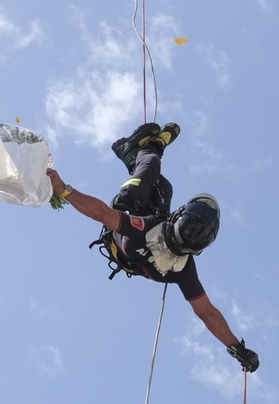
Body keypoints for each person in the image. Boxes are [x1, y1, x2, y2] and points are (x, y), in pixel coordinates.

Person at [47, 122, 260, 373]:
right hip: (134, 246)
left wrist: (64, 190)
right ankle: (132, 151)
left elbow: (103, 214)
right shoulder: (184, 269)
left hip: (125, 225)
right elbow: (207, 312)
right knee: (161, 187)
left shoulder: (148, 228)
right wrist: (238, 349)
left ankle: (148, 148)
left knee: (148, 170)